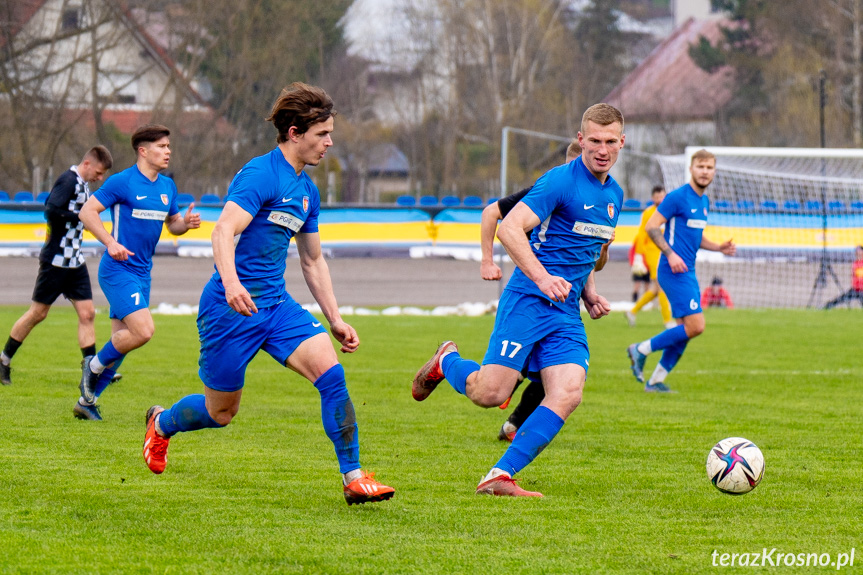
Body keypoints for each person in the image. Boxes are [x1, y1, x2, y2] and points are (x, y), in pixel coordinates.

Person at [139, 83, 395, 506]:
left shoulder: (307, 191)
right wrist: (234, 284)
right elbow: (223, 232)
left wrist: (335, 318)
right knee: (221, 413)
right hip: (229, 309)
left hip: (276, 307)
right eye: (322, 134)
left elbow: (312, 261)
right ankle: (162, 424)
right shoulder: (261, 174)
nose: (329, 143)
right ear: (294, 133)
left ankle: (353, 477)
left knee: (333, 377)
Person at [412, 103, 624, 497]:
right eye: (594, 140)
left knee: (568, 392)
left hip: (565, 312)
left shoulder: (615, 194)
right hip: (528, 298)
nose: (602, 148)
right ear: (581, 140)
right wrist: (542, 278)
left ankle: (499, 475)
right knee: (489, 394)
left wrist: (590, 294)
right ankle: (448, 361)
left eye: (610, 141)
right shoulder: (559, 181)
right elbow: (508, 227)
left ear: (622, 143)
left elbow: (588, 252)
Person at [480, 140, 613, 443]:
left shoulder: (606, 199)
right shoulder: (545, 192)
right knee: (494, 388)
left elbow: (589, 261)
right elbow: (492, 215)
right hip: (530, 295)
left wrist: (592, 282)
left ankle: (513, 428)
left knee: (561, 378)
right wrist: (487, 261)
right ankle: (485, 376)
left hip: (564, 305)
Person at [76, 125, 201, 420]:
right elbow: (86, 212)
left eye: (169, 146)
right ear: (143, 151)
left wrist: (186, 223)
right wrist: (110, 242)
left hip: (144, 273)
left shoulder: (168, 187)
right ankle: (92, 366)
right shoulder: (122, 182)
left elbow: (172, 226)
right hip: (117, 270)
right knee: (144, 331)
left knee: (122, 344)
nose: (168, 151)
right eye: (162, 146)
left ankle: (86, 403)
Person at [0, 147, 114, 393]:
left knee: (88, 314)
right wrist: (80, 216)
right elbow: (51, 210)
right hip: (55, 262)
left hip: (75, 262)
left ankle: (90, 372)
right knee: (37, 314)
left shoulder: (84, 185)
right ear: (87, 163)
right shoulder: (68, 180)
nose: (100, 177)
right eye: (99, 172)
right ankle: (4, 360)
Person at [626, 150, 736, 392]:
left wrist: (718, 247)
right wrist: (670, 254)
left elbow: (695, 237)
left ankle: (655, 381)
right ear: (691, 169)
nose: (705, 171)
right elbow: (652, 227)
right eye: (701, 167)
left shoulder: (703, 202)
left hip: (688, 271)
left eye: (709, 167)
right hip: (673, 270)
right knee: (696, 326)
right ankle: (640, 349)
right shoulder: (677, 197)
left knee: (683, 330)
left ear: (714, 171)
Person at [625, 185, 674, 328]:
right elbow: (642, 234)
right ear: (653, 198)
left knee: (655, 290)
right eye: (657, 196)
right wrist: (639, 256)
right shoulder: (648, 213)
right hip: (653, 254)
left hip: (665, 253)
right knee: (662, 286)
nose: (660, 199)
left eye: (662, 196)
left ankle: (632, 312)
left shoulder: (668, 212)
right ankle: (667, 321)